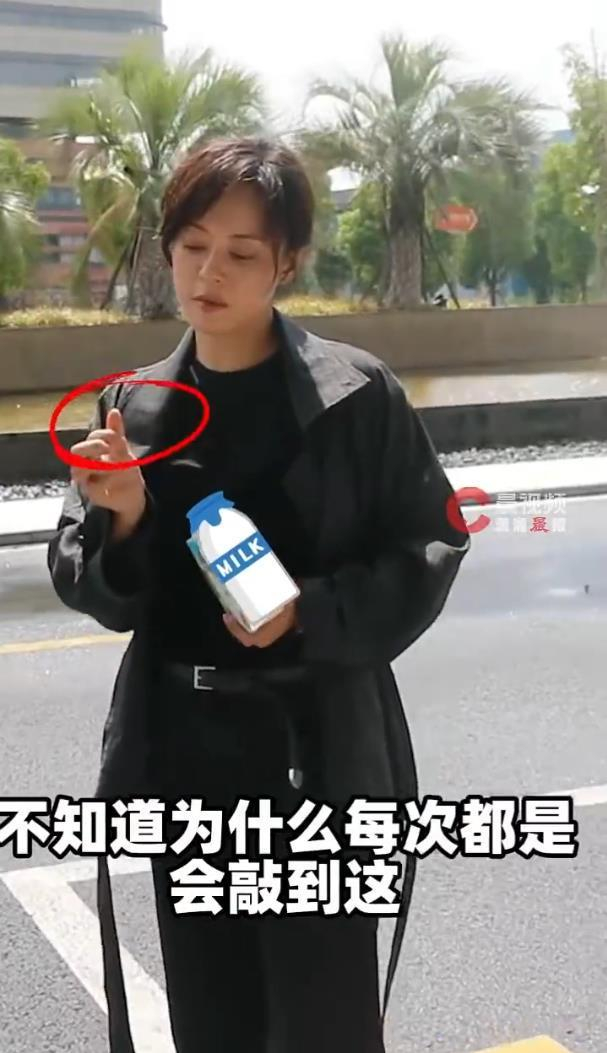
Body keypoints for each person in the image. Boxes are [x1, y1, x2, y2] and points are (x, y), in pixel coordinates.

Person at [47, 136, 471, 1053]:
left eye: (241, 253)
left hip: (317, 753)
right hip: (188, 756)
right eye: (193, 245)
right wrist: (122, 519)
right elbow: (89, 580)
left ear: (287, 264)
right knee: (213, 1019)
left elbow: (430, 543)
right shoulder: (131, 407)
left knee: (326, 1023)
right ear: (167, 250)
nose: (210, 272)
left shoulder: (357, 396)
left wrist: (307, 611)